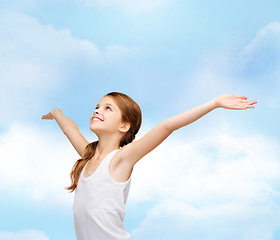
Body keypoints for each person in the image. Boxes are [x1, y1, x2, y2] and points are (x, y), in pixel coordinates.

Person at [41, 92, 257, 240]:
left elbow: (167, 126)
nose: (98, 110)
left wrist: (214, 103)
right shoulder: (88, 155)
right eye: (97, 107)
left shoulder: (121, 159)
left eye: (108, 108)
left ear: (124, 126)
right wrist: (57, 114)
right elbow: (71, 129)